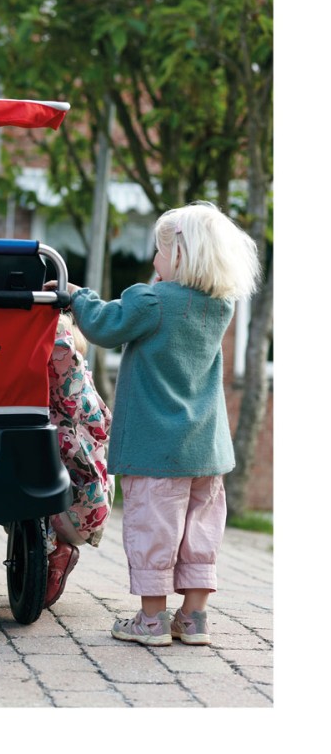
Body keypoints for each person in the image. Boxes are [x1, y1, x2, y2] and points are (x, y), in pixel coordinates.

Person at [54, 201, 261, 646]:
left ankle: (152, 621)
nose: (152, 261)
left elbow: (106, 327)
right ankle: (194, 618)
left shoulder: (150, 301)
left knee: (155, 526)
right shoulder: (218, 307)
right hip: (207, 447)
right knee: (200, 530)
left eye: (159, 251)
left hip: (156, 444)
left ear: (181, 256)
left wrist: (78, 298)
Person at [42, 311, 113, 609]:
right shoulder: (87, 395)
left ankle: (54, 550)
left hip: (74, 507)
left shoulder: (65, 397)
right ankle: (49, 550)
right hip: (88, 505)